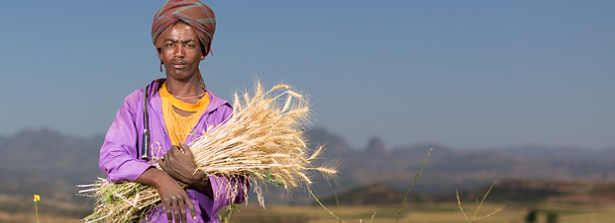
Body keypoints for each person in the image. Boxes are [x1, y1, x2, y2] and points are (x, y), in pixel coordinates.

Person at [99, 1, 247, 222]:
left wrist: (197, 179)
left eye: (189, 45)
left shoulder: (222, 114)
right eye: (170, 44)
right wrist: (160, 179)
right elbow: (112, 157)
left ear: (203, 51)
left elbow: (239, 188)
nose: (179, 53)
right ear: (160, 52)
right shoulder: (138, 104)